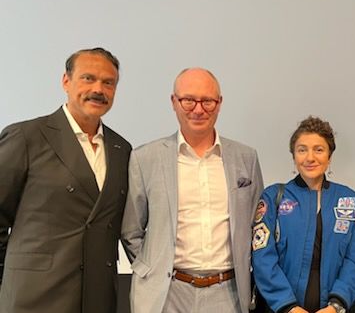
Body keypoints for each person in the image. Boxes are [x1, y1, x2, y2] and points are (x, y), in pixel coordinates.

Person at [121, 68, 264, 313]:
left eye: (207, 101)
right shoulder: (145, 158)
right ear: (174, 102)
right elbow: (131, 231)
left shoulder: (246, 158)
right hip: (166, 293)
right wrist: (151, 267)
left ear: (219, 104)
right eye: (188, 100)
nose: (198, 109)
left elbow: (257, 224)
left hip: (227, 292)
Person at [0, 48, 131, 313]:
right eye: (88, 78)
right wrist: (12, 277)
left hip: (98, 297)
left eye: (109, 82)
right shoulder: (26, 137)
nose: (98, 89)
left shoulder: (122, 149)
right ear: (66, 81)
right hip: (34, 295)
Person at [251, 116, 355, 313]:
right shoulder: (273, 197)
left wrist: (336, 306)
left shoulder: (347, 199)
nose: (310, 157)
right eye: (302, 149)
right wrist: (288, 306)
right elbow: (262, 257)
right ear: (294, 156)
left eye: (319, 150)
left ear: (329, 156)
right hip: (281, 309)